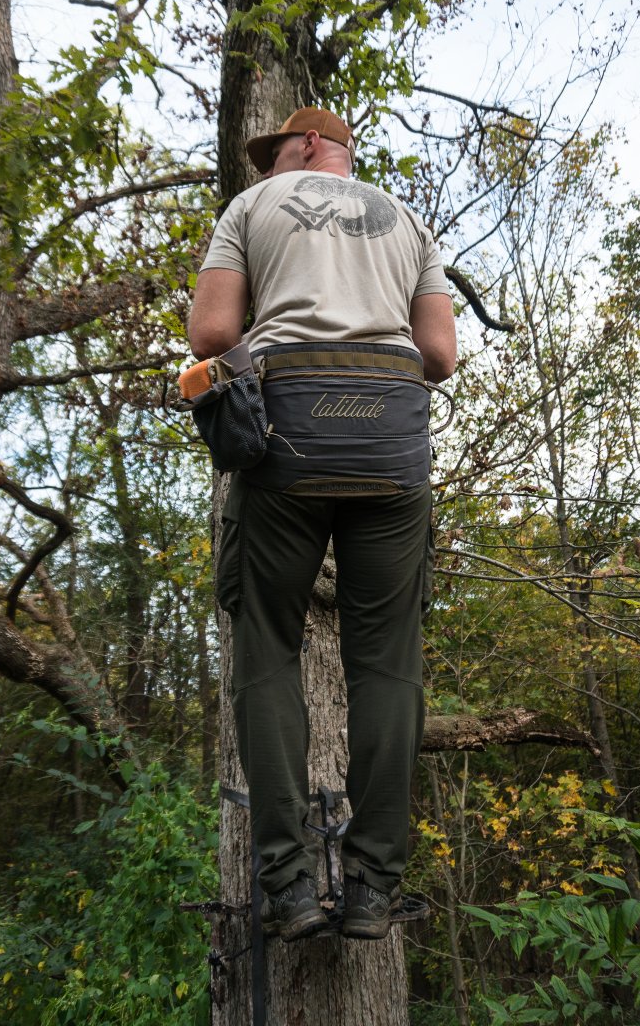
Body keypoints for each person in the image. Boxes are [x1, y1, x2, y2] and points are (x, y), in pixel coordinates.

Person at [188, 107, 456, 943]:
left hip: (288, 438)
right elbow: (440, 356)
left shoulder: (250, 209)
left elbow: (212, 333)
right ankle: (373, 889)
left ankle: (289, 884)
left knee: (267, 644)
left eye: (276, 156)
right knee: (387, 665)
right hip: (391, 445)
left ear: (307, 146)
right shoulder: (408, 221)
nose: (270, 171)